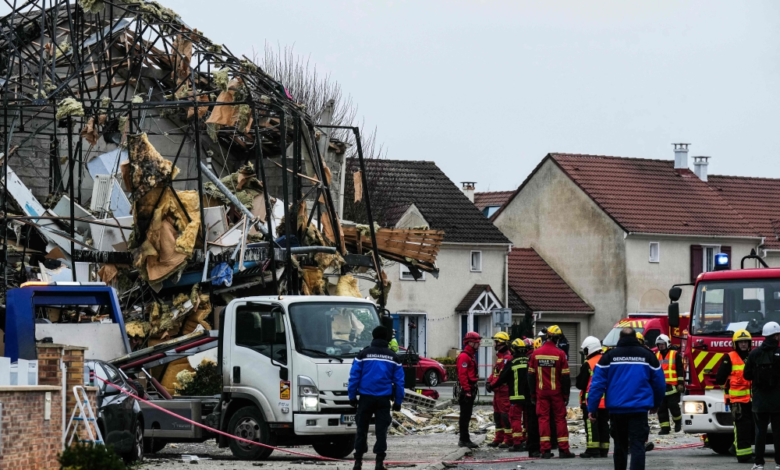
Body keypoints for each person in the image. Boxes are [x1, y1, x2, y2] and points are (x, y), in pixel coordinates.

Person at [588, 327, 666, 470]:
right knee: (637, 445)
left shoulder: (609, 356)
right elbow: (660, 383)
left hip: (617, 410)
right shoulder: (648, 356)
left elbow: (597, 384)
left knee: (620, 445)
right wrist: (656, 404)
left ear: (619, 338)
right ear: (636, 338)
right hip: (639, 409)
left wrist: (592, 408)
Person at [348, 326, 406, 470]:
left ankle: (358, 462)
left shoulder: (363, 354)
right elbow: (399, 382)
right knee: (381, 431)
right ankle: (379, 463)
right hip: (383, 400)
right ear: (387, 338)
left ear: (373, 337)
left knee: (361, 430)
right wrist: (398, 401)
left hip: (365, 398)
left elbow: (354, 377)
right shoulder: (393, 357)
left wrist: (352, 396)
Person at [528, 325, 574, 459]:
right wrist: (566, 395)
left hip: (541, 393)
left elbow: (530, 376)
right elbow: (565, 378)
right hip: (557, 394)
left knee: (543, 419)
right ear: (558, 339)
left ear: (547, 336)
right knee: (560, 420)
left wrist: (533, 394)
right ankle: (564, 450)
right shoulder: (560, 354)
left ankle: (545, 450)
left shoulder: (536, 354)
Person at [743, 321, 780, 470]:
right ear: (776, 336)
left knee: (760, 433)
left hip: (759, 401)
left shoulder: (754, 354)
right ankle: (779, 463)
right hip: (777, 401)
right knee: (778, 433)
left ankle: (758, 463)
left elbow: (746, 376)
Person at [715, 329, 754, 464]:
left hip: (751, 400)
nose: (743, 344)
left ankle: (735, 448)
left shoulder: (751, 357)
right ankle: (743, 455)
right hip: (737, 401)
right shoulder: (729, 357)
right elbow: (720, 378)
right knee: (742, 427)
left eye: (745, 342)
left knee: (750, 427)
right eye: (740, 342)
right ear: (735, 344)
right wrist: (728, 391)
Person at [493, 338, 531, 453]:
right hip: (529, 397)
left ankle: (517, 443)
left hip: (516, 396)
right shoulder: (529, 361)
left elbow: (502, 378)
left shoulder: (512, 362)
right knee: (528, 420)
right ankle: (529, 441)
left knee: (515, 419)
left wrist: (492, 386)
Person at [576, 336, 609, 458]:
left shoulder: (589, 363)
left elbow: (580, 384)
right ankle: (604, 450)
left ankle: (592, 450)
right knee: (604, 425)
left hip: (592, 401)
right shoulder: (607, 360)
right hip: (606, 402)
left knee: (591, 426)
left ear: (589, 349)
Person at [486, 331, 513, 448]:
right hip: (497, 391)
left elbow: (502, 376)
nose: (494, 344)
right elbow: (495, 373)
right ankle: (498, 438)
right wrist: (488, 382)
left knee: (505, 416)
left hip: (504, 391)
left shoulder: (507, 357)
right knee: (497, 415)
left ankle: (508, 439)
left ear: (502, 343)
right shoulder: (500, 357)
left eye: (496, 342)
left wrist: (491, 385)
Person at [456, 331, 481, 448]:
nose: (479, 344)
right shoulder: (465, 356)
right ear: (470, 343)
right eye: (477, 342)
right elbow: (462, 375)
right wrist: (466, 390)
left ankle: (465, 438)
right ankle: (463, 439)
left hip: (471, 388)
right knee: (465, 415)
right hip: (467, 389)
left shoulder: (470, 355)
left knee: (467, 414)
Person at [655, 334, 684, 434]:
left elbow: (680, 370)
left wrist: (680, 383)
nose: (660, 346)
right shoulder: (656, 356)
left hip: (673, 387)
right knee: (661, 409)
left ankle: (678, 423)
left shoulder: (675, 354)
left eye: (662, 344)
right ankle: (665, 428)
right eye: (659, 344)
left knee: (673, 407)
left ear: (667, 344)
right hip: (660, 387)